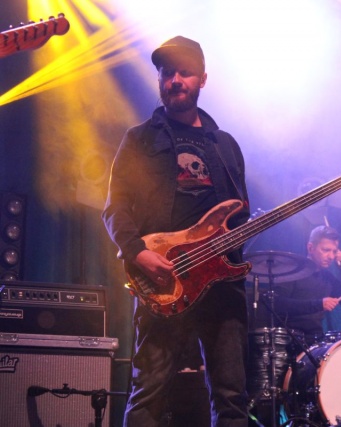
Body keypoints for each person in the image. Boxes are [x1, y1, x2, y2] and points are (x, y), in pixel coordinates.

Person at [102, 35, 250, 427]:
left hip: (221, 285)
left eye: (185, 72)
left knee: (232, 399)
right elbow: (115, 207)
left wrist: (238, 239)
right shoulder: (139, 138)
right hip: (164, 280)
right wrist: (139, 253)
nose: (175, 80)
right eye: (168, 73)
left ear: (203, 79)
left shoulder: (226, 145)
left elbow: (241, 214)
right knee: (148, 394)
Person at [272, 225, 341, 345]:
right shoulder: (293, 271)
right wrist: (318, 304)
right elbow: (277, 304)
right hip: (288, 340)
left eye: (334, 251)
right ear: (310, 248)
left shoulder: (327, 278)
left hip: (315, 341)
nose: (331, 256)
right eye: (326, 250)